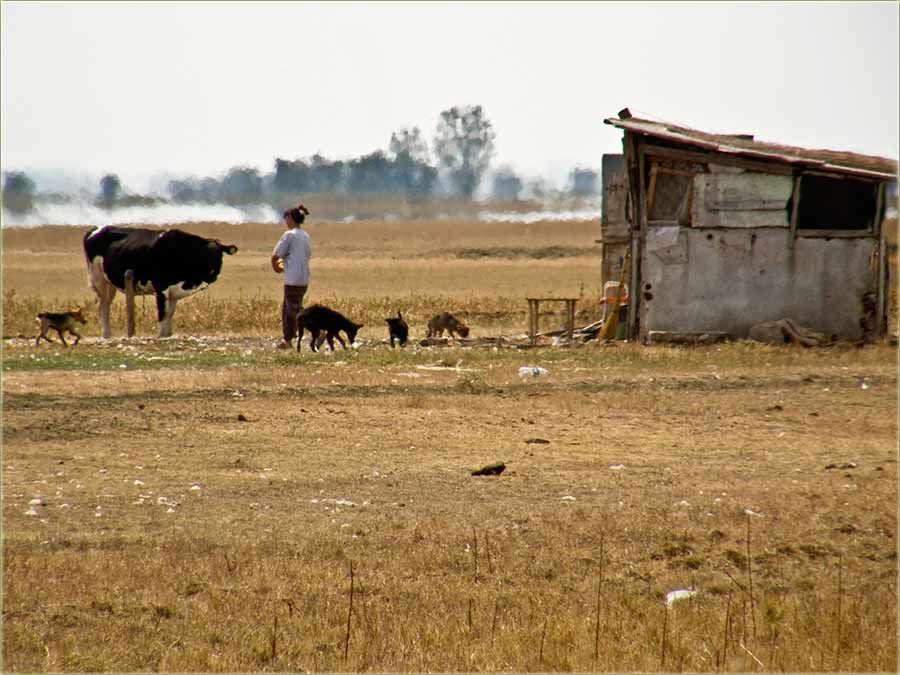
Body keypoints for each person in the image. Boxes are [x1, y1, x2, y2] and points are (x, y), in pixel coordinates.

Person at [272, 204, 312, 349]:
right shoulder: (305, 235)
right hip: (303, 277)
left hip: (292, 278)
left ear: (290, 218)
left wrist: (276, 266)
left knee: (294, 309)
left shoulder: (289, 235)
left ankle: (317, 329)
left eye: (286, 217)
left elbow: (276, 255)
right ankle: (287, 340)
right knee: (288, 309)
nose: (285, 220)